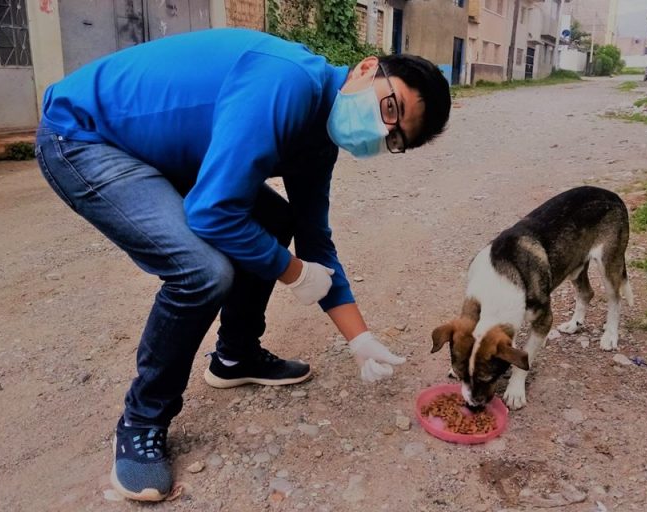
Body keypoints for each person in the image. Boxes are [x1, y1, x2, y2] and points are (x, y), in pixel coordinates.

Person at [34, 28, 451, 501]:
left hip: (155, 148)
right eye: (390, 107)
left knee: (276, 220)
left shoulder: (319, 139)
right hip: (83, 135)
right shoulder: (288, 83)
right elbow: (213, 212)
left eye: (394, 137)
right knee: (201, 272)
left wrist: (359, 337)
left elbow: (315, 239)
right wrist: (292, 272)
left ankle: (235, 356)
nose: (380, 130)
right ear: (367, 68)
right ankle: (142, 420)